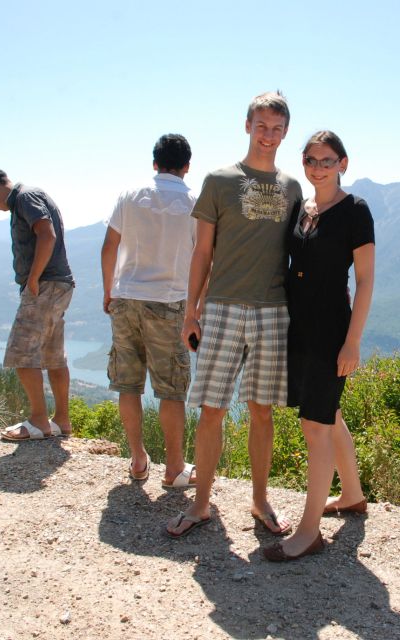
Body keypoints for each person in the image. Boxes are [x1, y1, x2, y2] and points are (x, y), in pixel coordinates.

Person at [166, 91, 303, 538]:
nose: (268, 136)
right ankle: (201, 504)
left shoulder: (293, 188)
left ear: (285, 133)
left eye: (277, 129)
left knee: (262, 412)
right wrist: (192, 311)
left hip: (273, 310)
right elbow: (201, 250)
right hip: (222, 307)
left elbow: (298, 250)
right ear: (247, 126)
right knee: (212, 410)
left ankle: (260, 501)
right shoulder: (219, 181)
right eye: (261, 126)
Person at [262, 130, 375, 561]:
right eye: (311, 159)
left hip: (331, 329)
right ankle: (351, 495)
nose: (319, 167)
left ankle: (308, 533)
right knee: (329, 413)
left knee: (315, 425)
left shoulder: (355, 211)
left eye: (328, 160)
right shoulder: (302, 208)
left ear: (343, 163)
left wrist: (353, 342)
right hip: (298, 326)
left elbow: (364, 281)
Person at [100, 134, 198, 487]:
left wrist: (109, 291)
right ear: (187, 167)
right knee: (171, 389)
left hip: (125, 297)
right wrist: (196, 308)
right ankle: (174, 468)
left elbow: (109, 246)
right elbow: (204, 258)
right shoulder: (193, 203)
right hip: (169, 303)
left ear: (154, 163)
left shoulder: (128, 196)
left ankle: (138, 459)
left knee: (128, 384)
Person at [0, 169, 75, 440]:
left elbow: (47, 234)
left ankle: (39, 421)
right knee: (53, 355)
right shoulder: (31, 197)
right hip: (59, 284)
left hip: (45, 285)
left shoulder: (25, 198)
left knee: (21, 353)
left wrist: (33, 277)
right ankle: (62, 421)